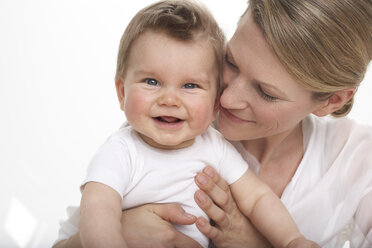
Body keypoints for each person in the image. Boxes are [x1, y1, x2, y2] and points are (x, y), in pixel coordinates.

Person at [54, 0, 372, 247]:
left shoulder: (361, 165)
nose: (228, 98)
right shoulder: (168, 131)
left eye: (265, 92)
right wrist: (117, 232)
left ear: (332, 101)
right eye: (230, 61)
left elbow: (260, 202)